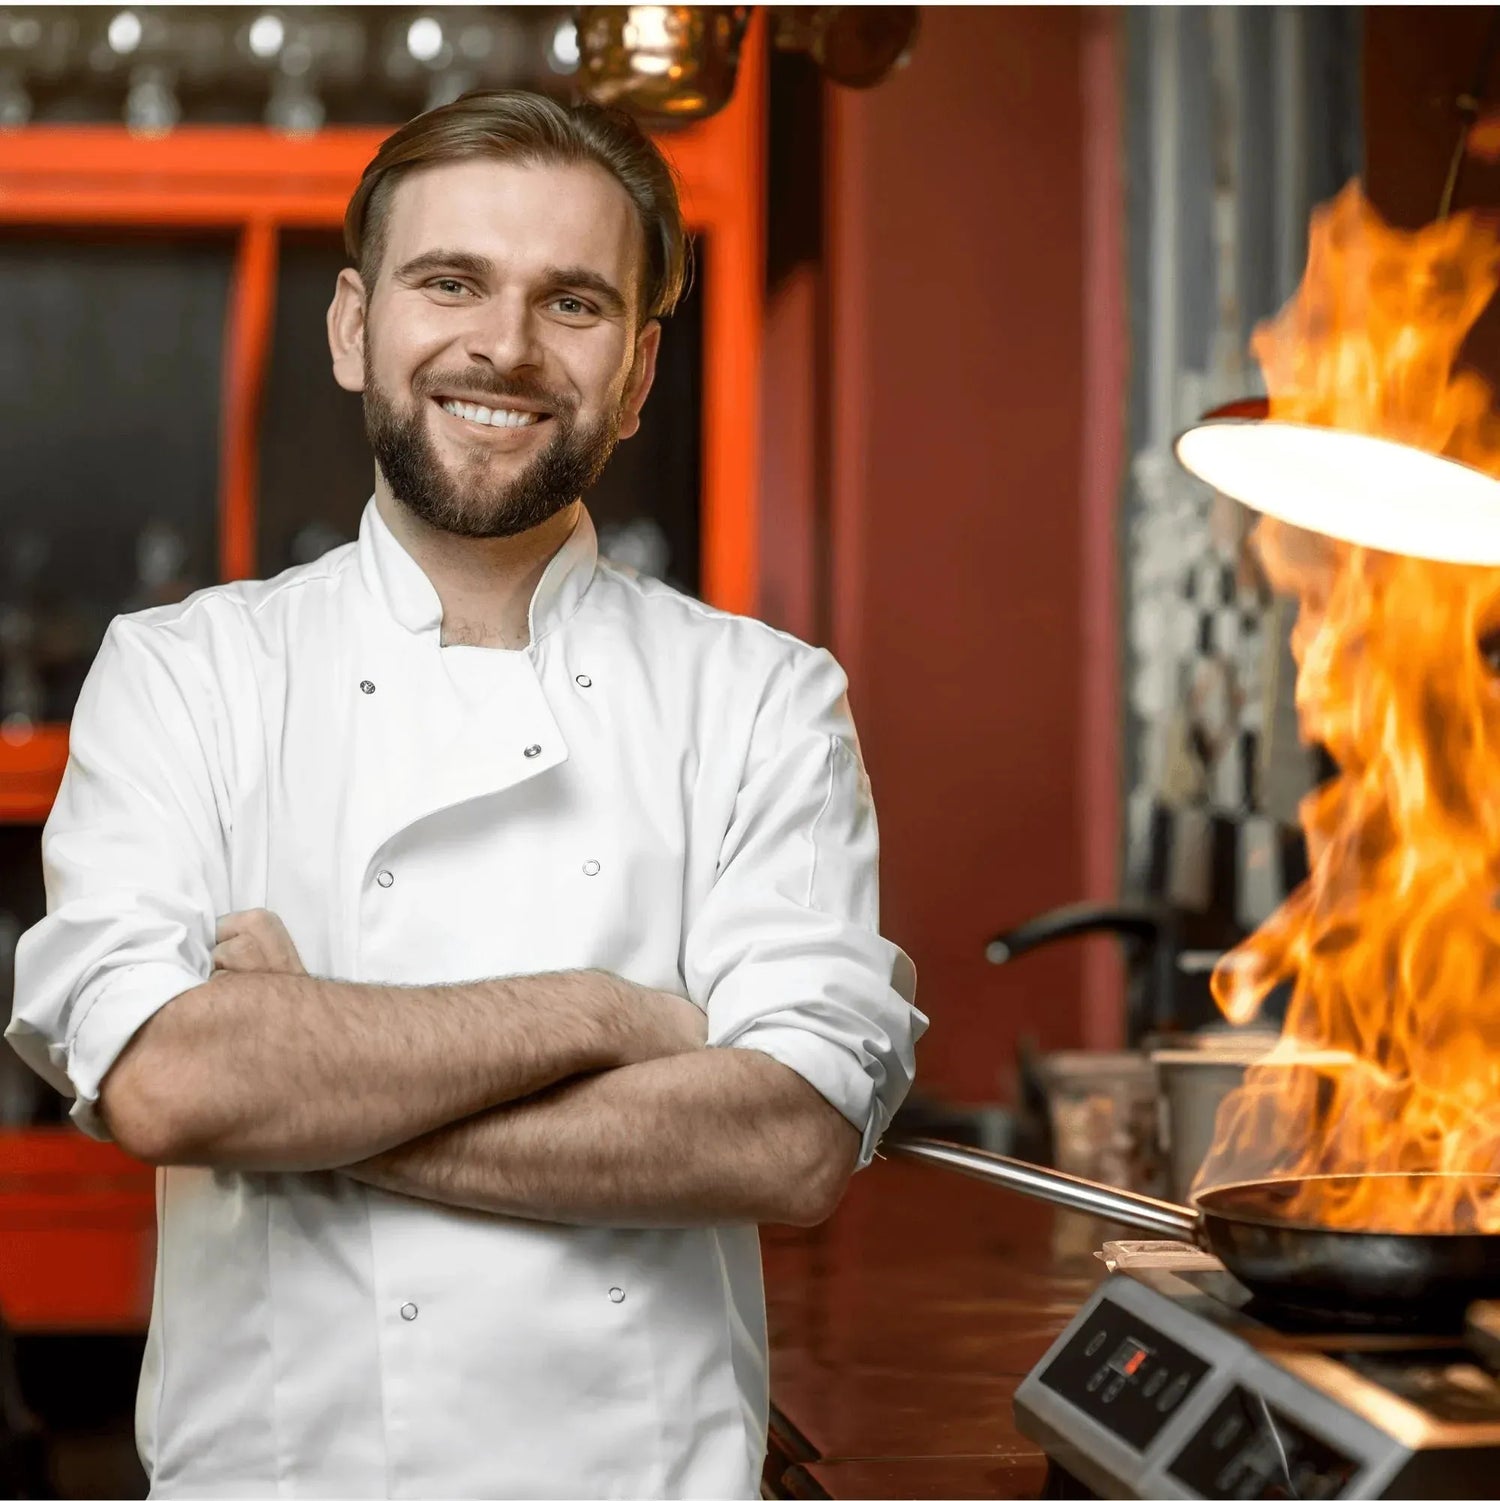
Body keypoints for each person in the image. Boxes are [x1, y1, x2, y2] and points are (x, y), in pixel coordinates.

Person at [5, 90, 926, 1499]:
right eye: (451, 283)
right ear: (352, 326)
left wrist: (308, 1087)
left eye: (573, 302)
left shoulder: (764, 700)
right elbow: (168, 1076)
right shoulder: (188, 672)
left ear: (637, 373)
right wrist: (610, 1014)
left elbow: (791, 1137)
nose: (504, 346)